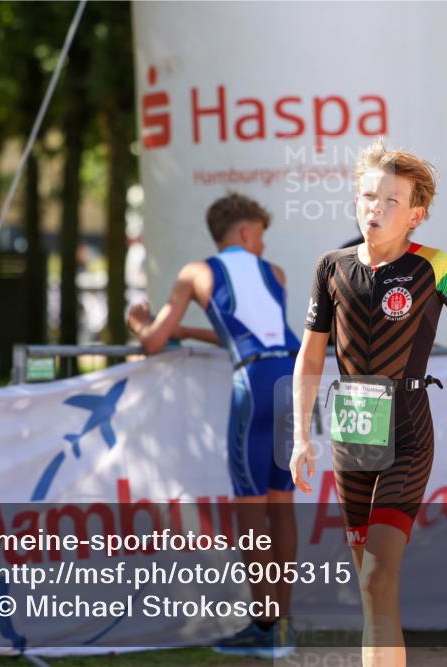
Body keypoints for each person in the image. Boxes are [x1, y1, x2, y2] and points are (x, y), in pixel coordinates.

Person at [290, 139, 447, 667]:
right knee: (368, 585)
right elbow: (309, 357)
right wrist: (299, 435)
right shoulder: (330, 267)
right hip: (351, 432)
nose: (375, 209)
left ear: (415, 215)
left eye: (390, 201)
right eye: (367, 197)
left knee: (381, 573)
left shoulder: (437, 267)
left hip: (408, 428)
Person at [126, 192, 298, 659]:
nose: (262, 246)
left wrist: (140, 323)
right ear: (245, 231)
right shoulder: (275, 274)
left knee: (251, 506)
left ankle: (262, 629)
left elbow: (152, 342)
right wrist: (190, 333)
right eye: (260, 235)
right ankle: (280, 628)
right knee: (282, 503)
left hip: (255, 381)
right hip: (292, 376)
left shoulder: (195, 273)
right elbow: (262, 332)